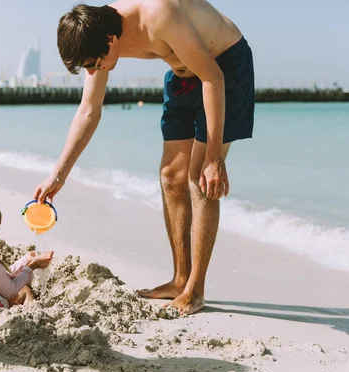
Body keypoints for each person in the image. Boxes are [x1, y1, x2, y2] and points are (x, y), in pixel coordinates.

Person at [33, 0, 255, 314]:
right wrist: (58, 175)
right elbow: (88, 111)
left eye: (94, 63)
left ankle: (196, 289)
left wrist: (215, 156)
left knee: (198, 177)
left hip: (223, 69)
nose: (94, 71)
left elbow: (212, 77)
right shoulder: (96, 34)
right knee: (170, 177)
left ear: (111, 40)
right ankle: (180, 279)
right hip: (183, 76)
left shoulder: (157, 13)